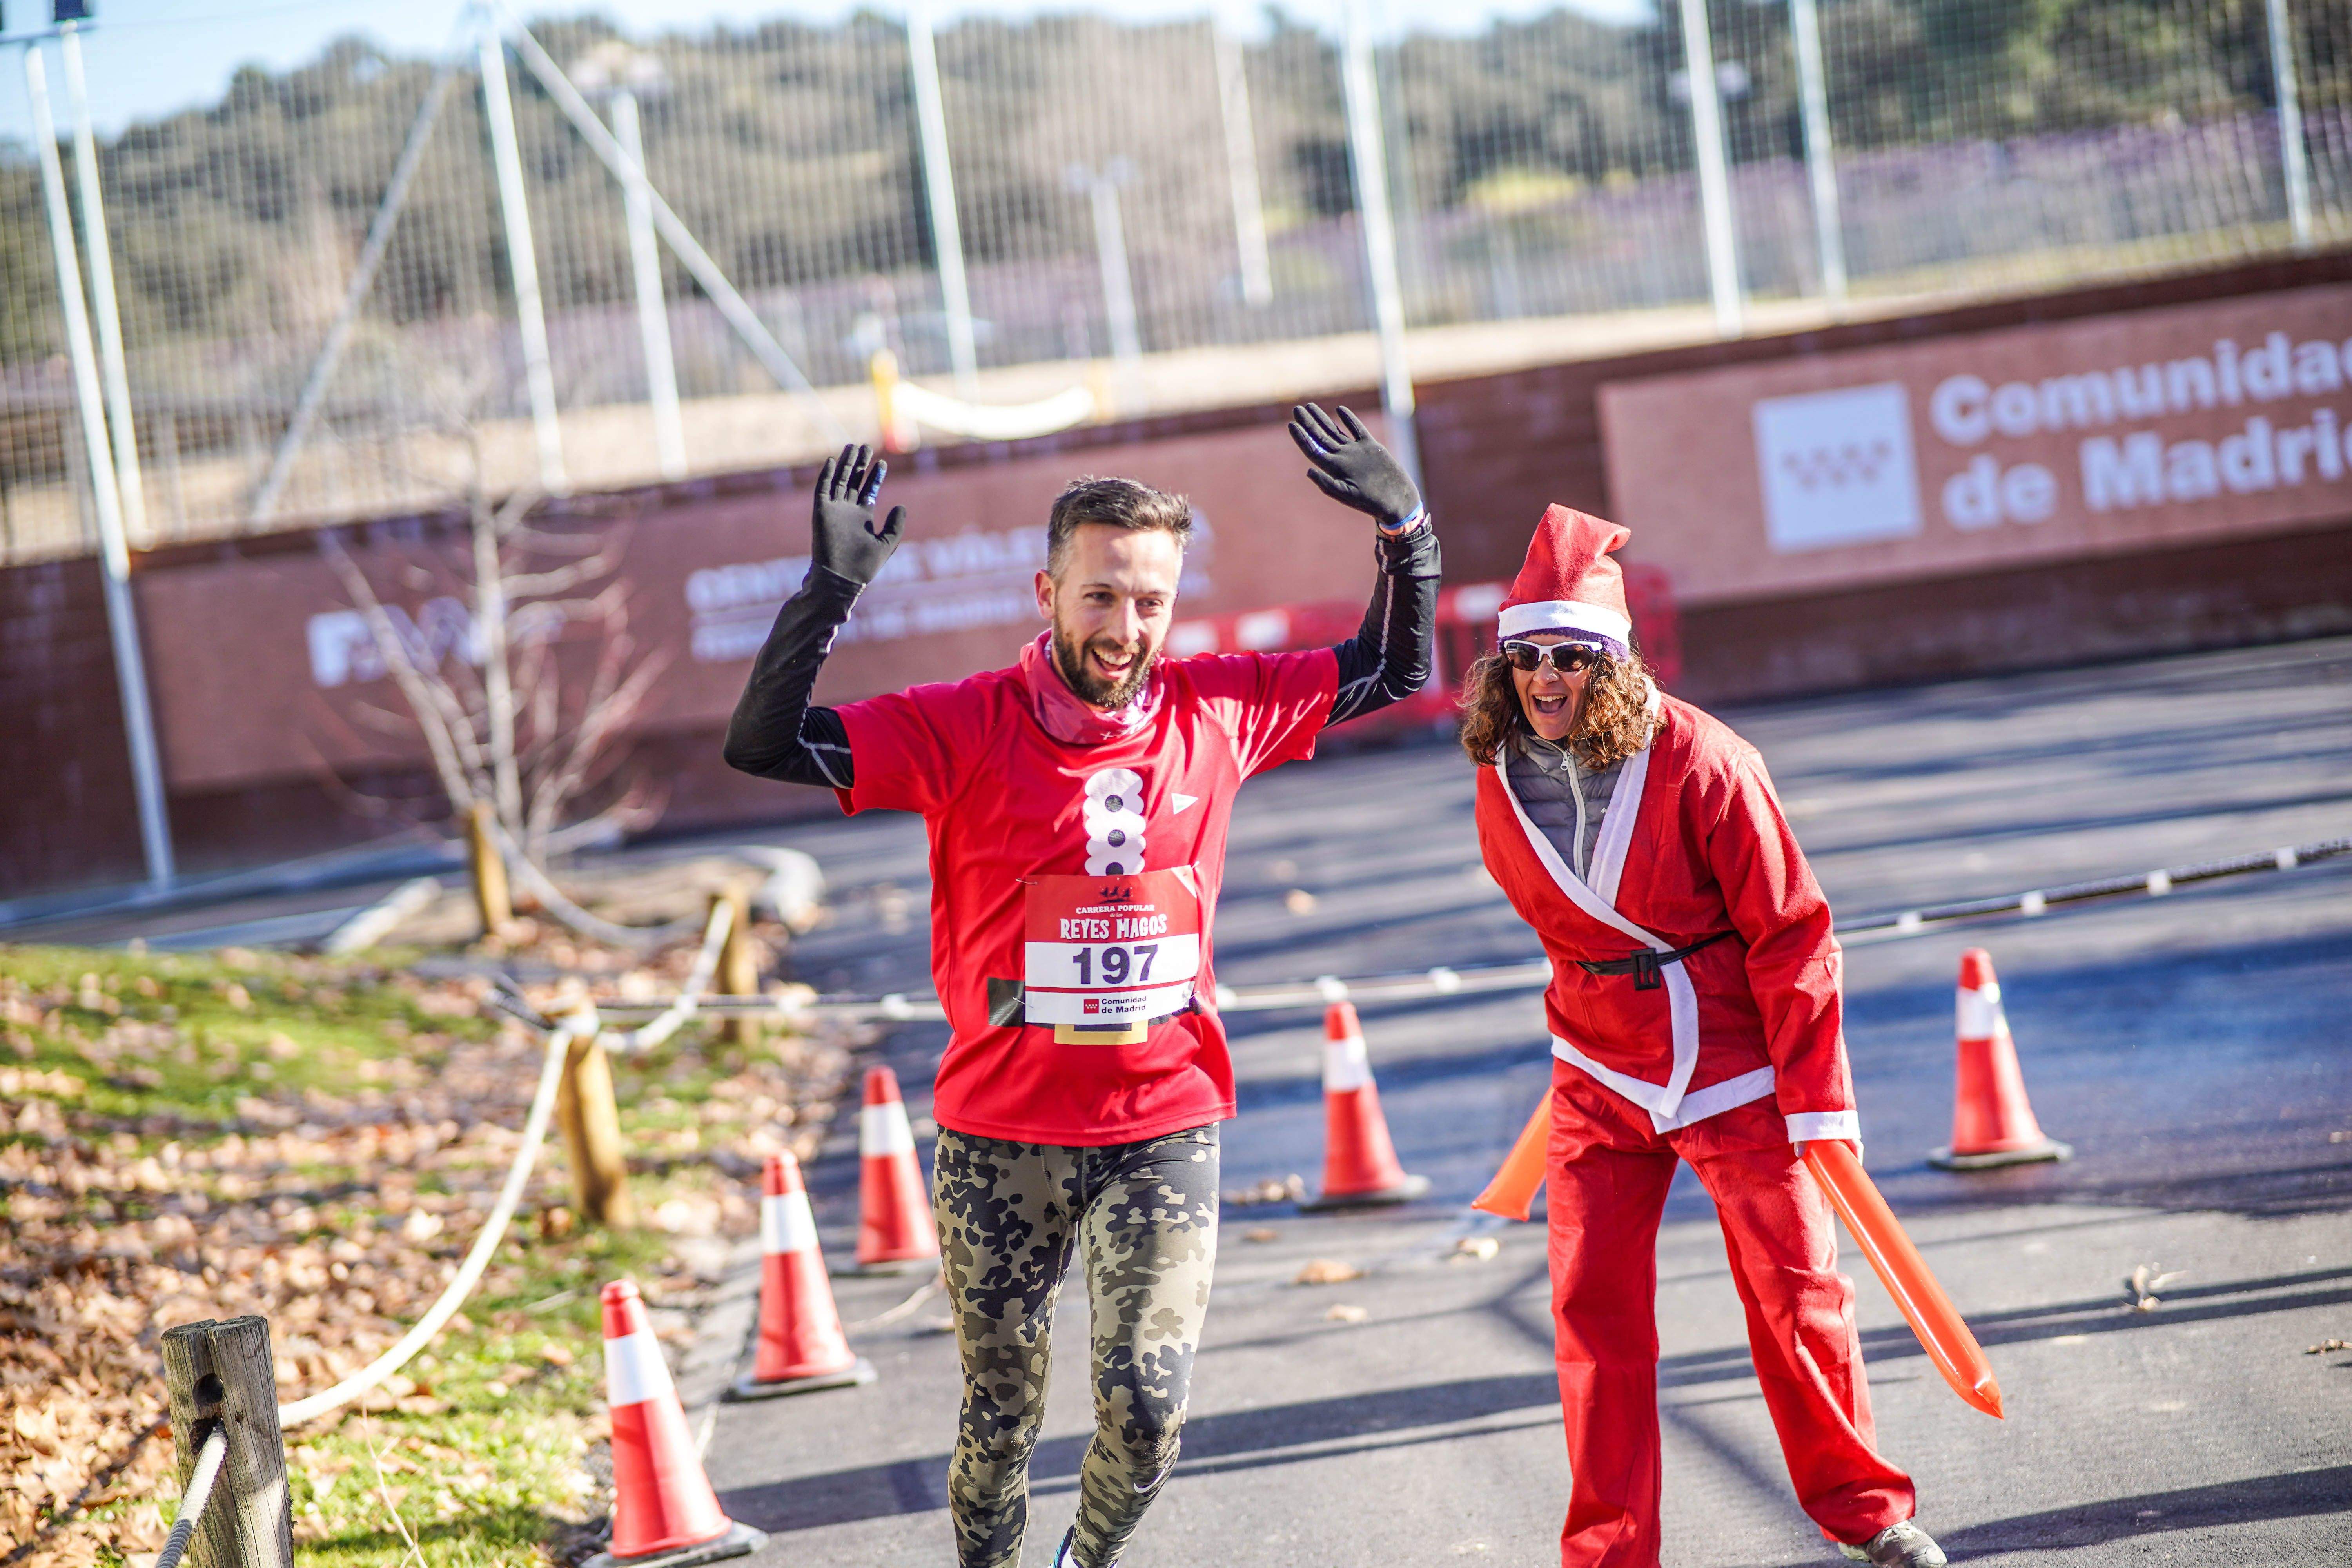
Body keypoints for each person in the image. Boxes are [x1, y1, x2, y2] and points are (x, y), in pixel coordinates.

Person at [722, 405, 1440, 1568]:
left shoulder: (1222, 707)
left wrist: (1408, 534)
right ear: (1047, 593)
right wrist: (827, 592)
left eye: (1150, 601)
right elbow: (763, 747)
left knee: (1147, 1409)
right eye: (1100, 596)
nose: (1125, 628)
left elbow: (1394, 668)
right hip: (999, 1134)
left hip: (1163, 1125)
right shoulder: (963, 725)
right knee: (999, 1417)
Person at [1462, 505, 1946, 1568]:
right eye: (1526, 657)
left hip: (1730, 1063)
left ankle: (1865, 1510)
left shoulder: (1708, 760)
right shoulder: (1496, 772)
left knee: (1797, 1293)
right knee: (1591, 1318)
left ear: (1613, 664)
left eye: (1571, 657)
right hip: (1595, 1068)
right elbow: (1563, 932)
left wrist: (1815, 1103)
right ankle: (1609, 1552)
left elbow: (1793, 932)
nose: (1546, 677)